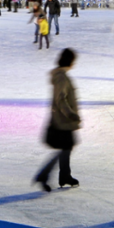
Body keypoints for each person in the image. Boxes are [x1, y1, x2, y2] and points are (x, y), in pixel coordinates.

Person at [34, 48, 80, 192]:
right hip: (63, 121)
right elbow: (60, 99)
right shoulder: (61, 77)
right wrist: (70, 114)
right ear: (70, 61)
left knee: (66, 148)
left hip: (61, 120)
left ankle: (64, 176)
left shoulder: (61, 75)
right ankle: (44, 175)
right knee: (65, 149)